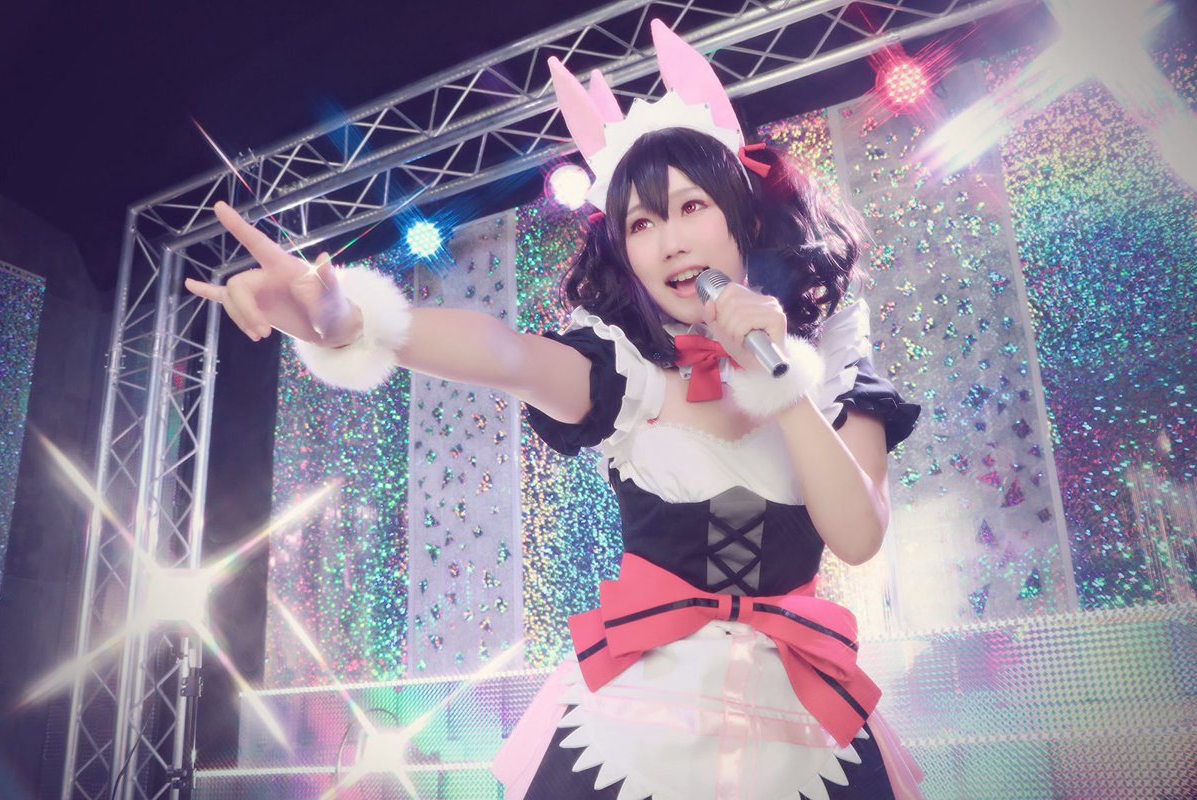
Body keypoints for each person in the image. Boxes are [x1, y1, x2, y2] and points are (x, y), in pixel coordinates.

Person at [187, 19, 923, 800]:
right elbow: (504, 353)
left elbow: (857, 535)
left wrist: (781, 381)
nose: (670, 241)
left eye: (691, 207)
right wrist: (350, 323)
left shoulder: (834, 357)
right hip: (637, 713)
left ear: (744, 218)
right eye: (642, 223)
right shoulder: (623, 373)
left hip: (801, 712)